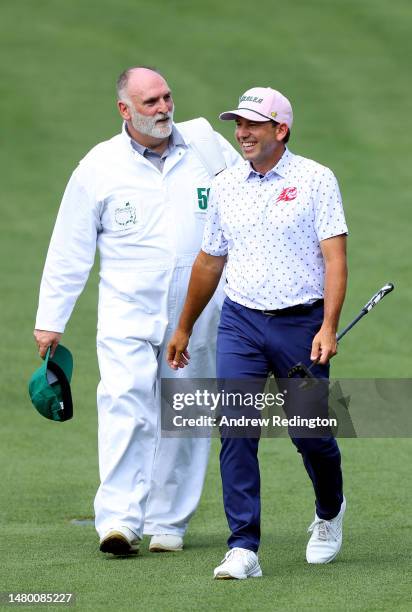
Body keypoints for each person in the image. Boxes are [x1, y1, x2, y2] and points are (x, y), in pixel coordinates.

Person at [33, 67, 240, 556]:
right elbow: (69, 247)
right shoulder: (99, 166)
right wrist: (51, 319)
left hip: (198, 310)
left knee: (186, 414)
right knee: (125, 404)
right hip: (128, 308)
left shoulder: (207, 147)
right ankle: (120, 521)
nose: (164, 108)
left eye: (167, 97)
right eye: (150, 102)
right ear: (125, 110)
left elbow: (247, 203)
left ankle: (169, 521)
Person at [167, 86, 348, 578]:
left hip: (301, 324)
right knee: (237, 431)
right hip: (241, 323)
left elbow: (335, 258)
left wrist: (328, 326)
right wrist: (184, 326)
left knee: (309, 433)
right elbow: (209, 261)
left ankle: (330, 512)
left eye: (252, 125)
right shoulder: (225, 184)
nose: (241, 133)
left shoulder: (316, 179)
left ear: (280, 130)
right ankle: (244, 546)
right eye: (238, 125)